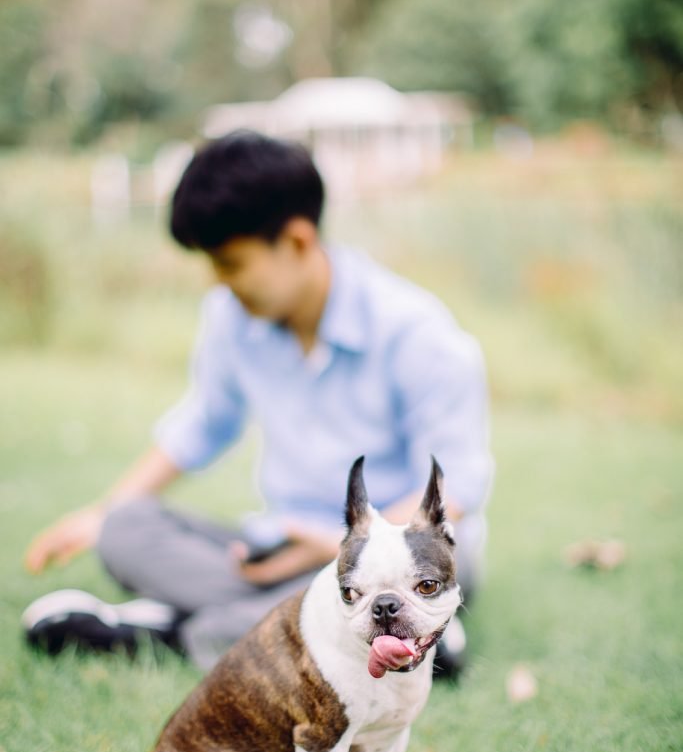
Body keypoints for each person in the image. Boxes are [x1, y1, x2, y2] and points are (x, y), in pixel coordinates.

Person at [22, 130, 494, 675]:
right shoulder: (233, 317)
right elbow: (204, 424)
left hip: (396, 556)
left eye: (229, 262)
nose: (218, 281)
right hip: (280, 547)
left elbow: (455, 486)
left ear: (296, 240)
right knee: (127, 530)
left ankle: (182, 631)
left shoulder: (417, 333)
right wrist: (102, 514)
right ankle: (392, 638)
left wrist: (347, 550)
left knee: (420, 574)